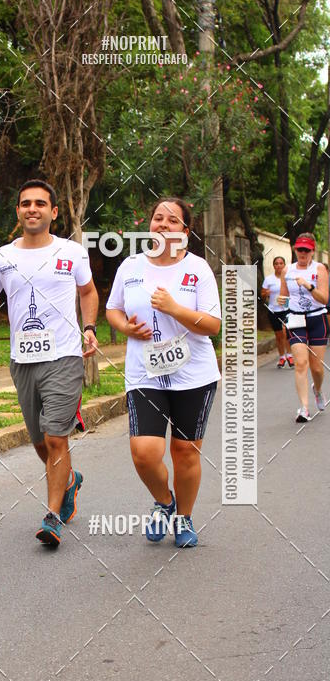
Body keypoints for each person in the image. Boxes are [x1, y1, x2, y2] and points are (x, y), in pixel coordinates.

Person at [0, 179, 99, 547]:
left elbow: (88, 291)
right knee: (40, 443)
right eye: (25, 203)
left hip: (63, 357)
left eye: (40, 204)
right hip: (22, 360)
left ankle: (53, 516)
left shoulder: (71, 252)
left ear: (53, 212)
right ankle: (70, 480)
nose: (32, 209)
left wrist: (89, 327)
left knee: (55, 436)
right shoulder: (3, 257)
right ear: (18, 212)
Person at [105, 197, 221, 548]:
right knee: (144, 452)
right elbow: (113, 310)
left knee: (185, 451)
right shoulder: (131, 266)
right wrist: (125, 328)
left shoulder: (197, 269)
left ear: (185, 231)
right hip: (145, 373)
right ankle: (164, 501)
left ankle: (183, 517)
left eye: (172, 221)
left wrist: (174, 308)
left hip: (193, 375)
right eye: (158, 218)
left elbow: (212, 325)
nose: (162, 225)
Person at [278, 233, 329, 422]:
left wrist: (309, 286)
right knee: (300, 363)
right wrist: (282, 304)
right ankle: (304, 408)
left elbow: (324, 299)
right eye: (300, 249)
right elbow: (284, 298)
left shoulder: (320, 269)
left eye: (307, 250)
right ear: (295, 250)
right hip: (296, 320)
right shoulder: (287, 271)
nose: (303, 253)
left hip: (317, 318)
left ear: (312, 251)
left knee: (316, 368)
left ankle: (317, 389)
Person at [261, 256, 292, 367]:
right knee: (278, 335)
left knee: (286, 332)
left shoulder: (288, 278)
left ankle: (289, 355)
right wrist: (266, 293)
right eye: (276, 263)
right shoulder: (269, 279)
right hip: (273, 310)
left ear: (284, 265)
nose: (279, 265)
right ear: (273, 266)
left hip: (286, 309)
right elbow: (262, 294)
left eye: (281, 263)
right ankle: (282, 357)